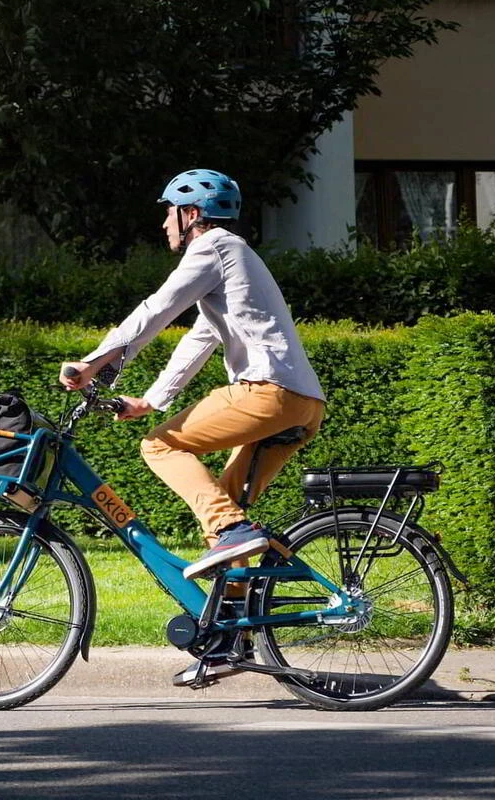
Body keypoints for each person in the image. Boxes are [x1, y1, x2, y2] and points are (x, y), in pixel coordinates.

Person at [59, 167, 325, 604]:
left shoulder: (214, 247)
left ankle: (232, 532)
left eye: (168, 213)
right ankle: (231, 632)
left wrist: (92, 363)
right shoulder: (234, 258)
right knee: (222, 512)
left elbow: (157, 308)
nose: (164, 223)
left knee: (161, 449)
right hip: (303, 403)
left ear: (191, 213)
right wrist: (151, 399)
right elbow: (200, 338)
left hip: (267, 390)